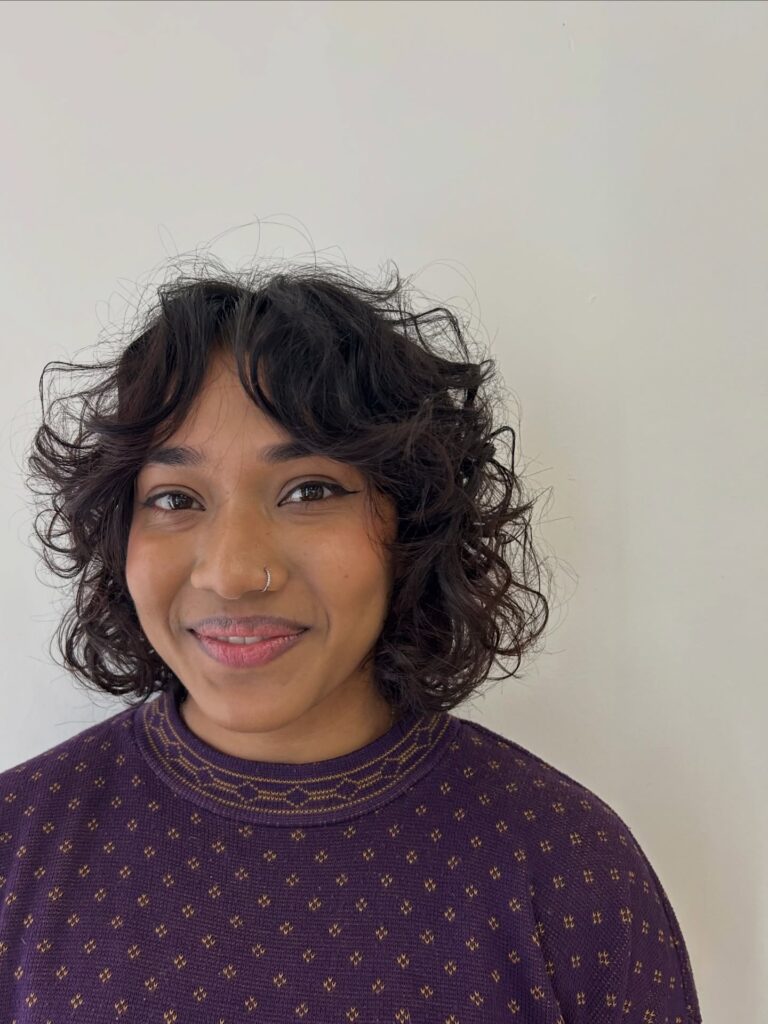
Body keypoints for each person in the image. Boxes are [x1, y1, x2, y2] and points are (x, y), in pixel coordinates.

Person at [0, 260, 702, 1022]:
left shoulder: (569, 872)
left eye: (309, 491)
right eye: (175, 498)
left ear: (413, 523)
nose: (234, 572)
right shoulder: (15, 850)